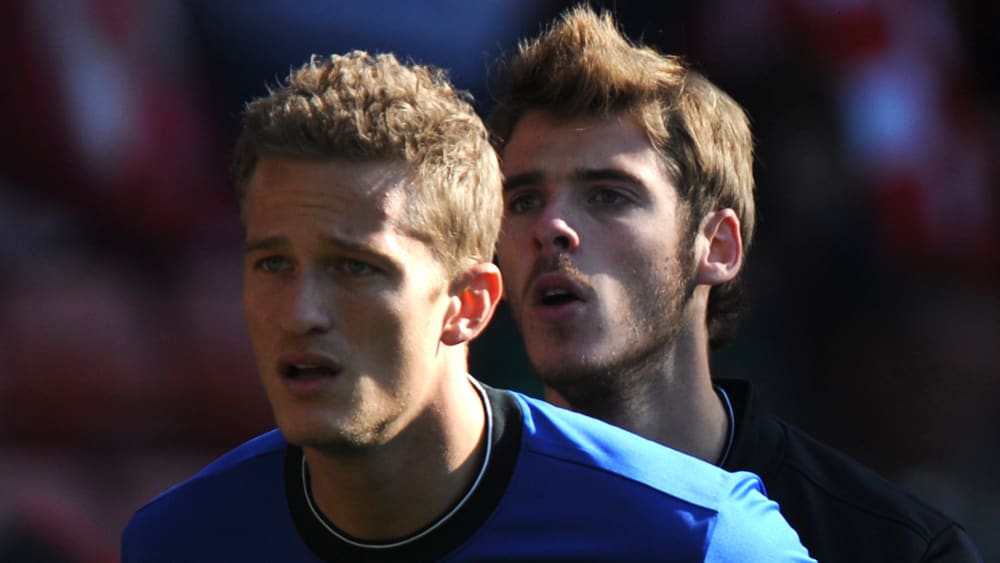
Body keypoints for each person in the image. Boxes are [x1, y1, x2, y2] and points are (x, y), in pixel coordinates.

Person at [120, 50, 813, 561]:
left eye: (356, 268)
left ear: (469, 303)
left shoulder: (697, 539)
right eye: (273, 264)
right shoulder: (178, 543)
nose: (301, 312)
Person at [488, 5, 982, 563]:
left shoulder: (895, 550)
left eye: (608, 195)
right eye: (523, 201)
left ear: (718, 247)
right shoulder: (429, 521)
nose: (551, 226)